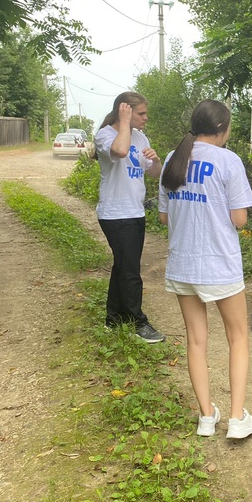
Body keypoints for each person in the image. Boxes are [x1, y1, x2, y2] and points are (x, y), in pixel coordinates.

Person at [158, 99, 252, 439]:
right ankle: (236, 419)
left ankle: (206, 417)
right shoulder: (228, 161)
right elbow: (239, 218)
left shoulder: (173, 161)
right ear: (223, 129)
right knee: (237, 338)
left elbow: (164, 217)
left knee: (196, 341)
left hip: (182, 264)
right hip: (220, 265)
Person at [94, 92, 165, 344]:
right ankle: (138, 322)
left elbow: (154, 174)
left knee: (123, 265)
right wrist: (123, 123)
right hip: (115, 213)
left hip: (135, 211)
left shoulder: (140, 136)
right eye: (141, 113)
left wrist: (156, 160)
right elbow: (121, 151)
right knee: (131, 269)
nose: (146, 118)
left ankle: (113, 318)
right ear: (125, 111)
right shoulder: (105, 135)